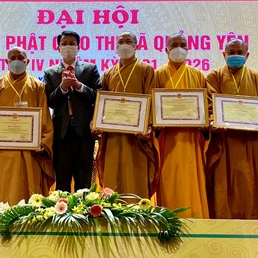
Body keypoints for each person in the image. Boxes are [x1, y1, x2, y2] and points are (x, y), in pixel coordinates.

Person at [206, 39, 258, 219]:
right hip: (225, 141)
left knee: (252, 185)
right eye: (231, 52)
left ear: (247, 55)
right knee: (225, 186)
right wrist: (214, 121)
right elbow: (210, 104)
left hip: (251, 141)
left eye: (240, 52)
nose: (236, 56)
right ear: (224, 54)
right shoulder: (214, 76)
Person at [0, 47, 54, 209]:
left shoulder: (37, 86)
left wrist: (44, 142)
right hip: (2, 151)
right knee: (1, 190)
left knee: (29, 195)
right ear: (7, 61)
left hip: (30, 151)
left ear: (28, 61)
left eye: (20, 58)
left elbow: (45, 117)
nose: (16, 61)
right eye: (12, 58)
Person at [94, 32, 157, 198]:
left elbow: (151, 98)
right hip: (113, 135)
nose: (124, 45)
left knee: (135, 173)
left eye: (129, 41)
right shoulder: (108, 74)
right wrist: (96, 122)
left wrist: (148, 126)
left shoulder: (146, 70)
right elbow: (101, 103)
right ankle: (112, 209)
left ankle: (138, 208)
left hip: (136, 137)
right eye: (121, 42)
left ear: (136, 46)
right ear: (116, 47)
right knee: (113, 173)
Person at [153, 33, 209, 218]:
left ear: (188, 48)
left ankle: (195, 216)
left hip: (191, 139)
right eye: (174, 45)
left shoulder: (197, 75)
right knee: (169, 179)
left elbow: (206, 106)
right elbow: (152, 105)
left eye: (182, 45)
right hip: (167, 139)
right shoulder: (157, 74)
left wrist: (205, 122)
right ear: (166, 49)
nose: (179, 49)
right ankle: (169, 218)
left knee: (191, 178)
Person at [43, 30, 101, 192]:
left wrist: (78, 85)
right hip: (61, 133)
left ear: (78, 47)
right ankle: (62, 208)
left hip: (84, 133)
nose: (68, 47)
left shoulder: (90, 69)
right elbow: (49, 101)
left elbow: (98, 96)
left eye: (72, 44)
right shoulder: (50, 72)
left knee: (84, 183)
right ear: (58, 48)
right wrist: (62, 88)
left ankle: (84, 209)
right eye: (64, 44)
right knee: (62, 183)